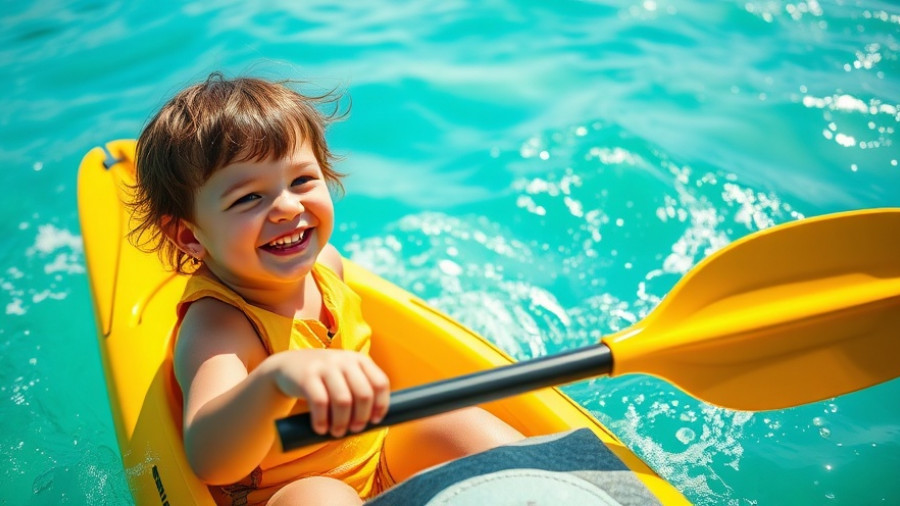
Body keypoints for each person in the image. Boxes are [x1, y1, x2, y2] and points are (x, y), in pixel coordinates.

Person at [129, 72, 524, 505]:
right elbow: (211, 459)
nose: (287, 206)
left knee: (459, 423)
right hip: (288, 495)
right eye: (248, 198)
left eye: (301, 181)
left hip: (378, 461)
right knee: (322, 496)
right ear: (189, 237)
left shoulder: (327, 267)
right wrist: (274, 383)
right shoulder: (220, 327)